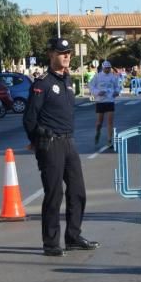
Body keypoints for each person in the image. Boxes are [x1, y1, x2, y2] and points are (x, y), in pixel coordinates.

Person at [23, 37, 99, 257]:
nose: (66, 56)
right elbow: (29, 119)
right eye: (61, 52)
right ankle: (51, 242)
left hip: (69, 142)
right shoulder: (42, 84)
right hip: (51, 143)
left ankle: (73, 237)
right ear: (51, 55)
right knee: (54, 194)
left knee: (78, 192)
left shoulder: (67, 81)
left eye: (68, 53)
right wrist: (37, 141)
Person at [89, 60, 122, 147]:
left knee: (110, 122)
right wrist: (97, 92)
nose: (107, 70)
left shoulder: (114, 77)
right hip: (100, 101)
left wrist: (117, 92)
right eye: (106, 68)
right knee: (100, 122)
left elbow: (117, 87)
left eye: (109, 68)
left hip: (110, 100)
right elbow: (91, 85)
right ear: (103, 68)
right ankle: (98, 131)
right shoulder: (98, 76)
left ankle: (109, 140)